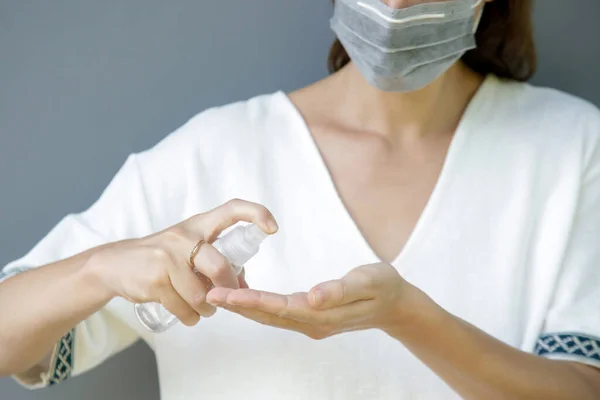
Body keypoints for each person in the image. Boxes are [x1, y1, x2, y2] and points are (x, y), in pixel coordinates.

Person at [1, 0, 599, 398]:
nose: (393, 6)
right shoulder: (212, 151)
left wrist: (409, 319)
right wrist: (98, 267)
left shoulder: (572, 147)